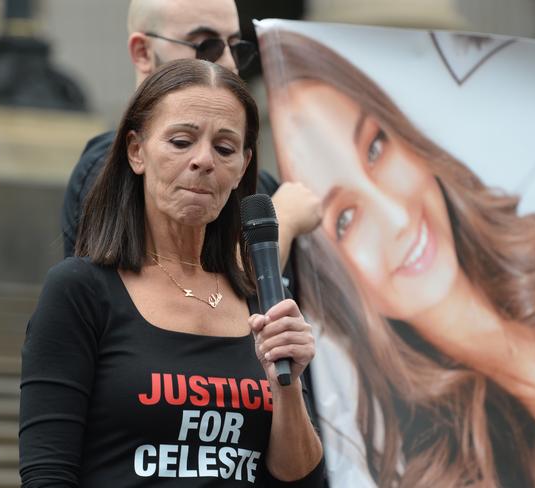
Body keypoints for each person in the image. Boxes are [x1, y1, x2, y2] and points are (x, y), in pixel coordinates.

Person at [260, 30, 535, 487]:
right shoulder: (437, 469)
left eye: (375, 147)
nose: (395, 216)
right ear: (334, 280)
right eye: (345, 219)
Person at [20, 58, 325, 487]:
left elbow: (299, 480)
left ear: (242, 167)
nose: (203, 161)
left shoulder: (265, 302)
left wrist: (288, 388)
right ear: (136, 151)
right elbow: (47, 474)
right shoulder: (82, 291)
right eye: (181, 141)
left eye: (224, 148)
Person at [61, 0, 321, 284]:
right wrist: (285, 217)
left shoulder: (264, 187)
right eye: (205, 45)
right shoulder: (108, 165)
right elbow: (181, 292)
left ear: (244, 163)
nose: (229, 62)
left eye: (236, 46)